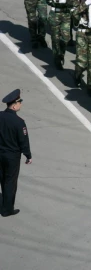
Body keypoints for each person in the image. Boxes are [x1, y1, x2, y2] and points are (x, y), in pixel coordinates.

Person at [0, 89, 32, 217]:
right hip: (12, 157)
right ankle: (7, 209)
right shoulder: (19, 122)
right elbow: (23, 141)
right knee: (10, 182)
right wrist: (28, 155)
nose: (21, 104)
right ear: (14, 105)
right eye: (20, 102)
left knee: (2, 179)